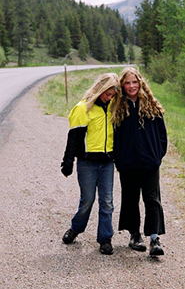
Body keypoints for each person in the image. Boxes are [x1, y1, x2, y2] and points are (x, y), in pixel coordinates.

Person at [61, 72, 119, 255]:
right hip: (87, 163)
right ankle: (75, 228)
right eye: (107, 94)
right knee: (87, 200)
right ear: (100, 89)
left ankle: (105, 239)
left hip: (107, 163)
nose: (109, 98)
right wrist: (67, 162)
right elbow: (74, 139)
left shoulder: (113, 109)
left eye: (112, 95)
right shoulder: (83, 109)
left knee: (107, 202)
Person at [112, 67, 168, 256]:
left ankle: (154, 238)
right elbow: (114, 138)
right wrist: (119, 159)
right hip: (128, 164)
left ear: (140, 82)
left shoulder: (152, 106)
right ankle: (134, 235)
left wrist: (157, 156)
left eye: (134, 82)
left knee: (152, 200)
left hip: (149, 163)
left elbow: (162, 136)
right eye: (127, 83)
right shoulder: (118, 108)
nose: (131, 86)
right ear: (122, 85)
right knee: (130, 199)